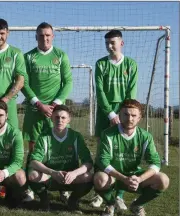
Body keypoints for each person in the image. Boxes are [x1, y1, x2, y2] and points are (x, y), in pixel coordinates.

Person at [22, 22, 73, 203]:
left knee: (58, 149)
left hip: (56, 111)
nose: (45, 38)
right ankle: (30, 188)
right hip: (35, 110)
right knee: (34, 150)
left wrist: (55, 105)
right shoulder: (28, 57)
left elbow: (68, 82)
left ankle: (63, 188)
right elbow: (24, 83)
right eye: (41, 35)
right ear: (36, 37)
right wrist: (38, 103)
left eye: (48, 35)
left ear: (53, 36)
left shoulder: (61, 56)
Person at [94, 99, 169, 216]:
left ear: (139, 118)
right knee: (100, 178)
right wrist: (124, 178)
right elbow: (103, 161)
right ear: (119, 115)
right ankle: (110, 203)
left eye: (134, 115)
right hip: (113, 177)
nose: (130, 118)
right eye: (126, 114)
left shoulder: (145, 136)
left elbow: (155, 162)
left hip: (134, 176)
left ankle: (137, 205)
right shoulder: (107, 134)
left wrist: (139, 179)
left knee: (163, 180)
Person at [91, 29, 139, 209]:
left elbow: (131, 92)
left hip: (125, 112)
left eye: (113, 43)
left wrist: (123, 114)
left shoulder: (131, 64)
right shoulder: (101, 64)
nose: (110, 46)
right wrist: (111, 114)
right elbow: (100, 91)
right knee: (102, 153)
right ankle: (99, 194)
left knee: (121, 154)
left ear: (121, 43)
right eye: (107, 44)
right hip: (105, 113)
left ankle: (119, 195)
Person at [28, 105, 93, 213]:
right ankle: (44, 201)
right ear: (52, 118)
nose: (60, 120)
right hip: (51, 176)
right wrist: (52, 172)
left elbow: (88, 162)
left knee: (89, 176)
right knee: (33, 174)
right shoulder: (44, 136)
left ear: (69, 119)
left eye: (63, 118)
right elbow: (34, 161)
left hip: (70, 177)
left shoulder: (76, 136)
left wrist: (74, 173)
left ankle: (73, 201)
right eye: (57, 117)